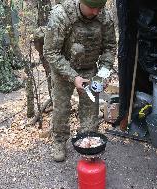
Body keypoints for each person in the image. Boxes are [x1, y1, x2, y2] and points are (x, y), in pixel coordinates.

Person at [43, 0, 116, 162]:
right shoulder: (61, 15)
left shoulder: (104, 16)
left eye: (100, 7)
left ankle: (88, 142)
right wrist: (72, 76)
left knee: (91, 108)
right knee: (61, 109)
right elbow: (50, 52)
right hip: (64, 69)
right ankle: (59, 141)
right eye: (92, 7)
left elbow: (110, 47)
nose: (96, 12)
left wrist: (102, 74)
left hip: (90, 69)